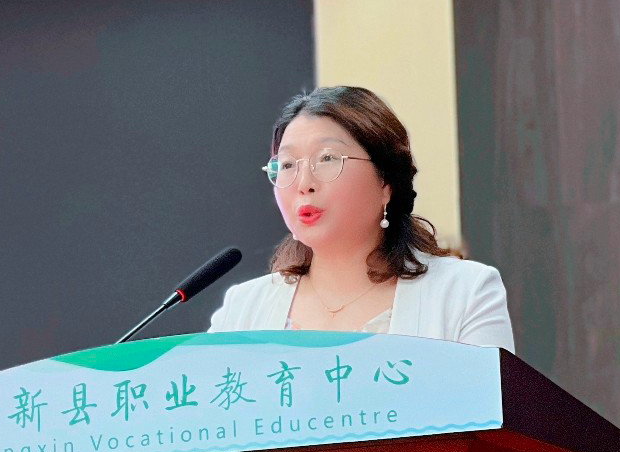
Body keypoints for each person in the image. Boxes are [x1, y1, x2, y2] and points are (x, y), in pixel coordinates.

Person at [208, 85, 514, 350]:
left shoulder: (465, 293)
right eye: (287, 165)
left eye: (327, 158)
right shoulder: (242, 311)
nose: (304, 183)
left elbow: (491, 401)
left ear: (386, 182)